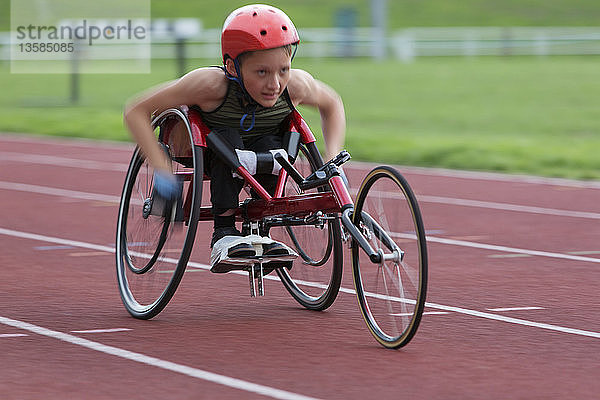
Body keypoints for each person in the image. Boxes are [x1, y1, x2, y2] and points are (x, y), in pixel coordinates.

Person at [124, 4, 346, 268]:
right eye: (261, 72)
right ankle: (224, 232)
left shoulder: (296, 85)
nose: (275, 84)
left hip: (265, 149)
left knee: (272, 146)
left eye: (283, 70)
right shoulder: (209, 85)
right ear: (232, 67)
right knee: (228, 139)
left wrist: (331, 159)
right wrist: (161, 169)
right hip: (213, 149)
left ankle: (261, 232)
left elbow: (332, 103)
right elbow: (135, 111)